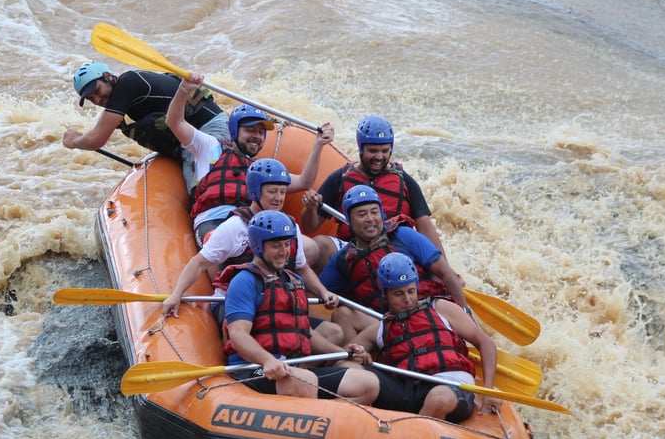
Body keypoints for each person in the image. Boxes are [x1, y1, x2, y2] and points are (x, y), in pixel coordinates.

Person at [161, 159, 342, 345]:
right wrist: (177, 293)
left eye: (282, 192)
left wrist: (323, 292)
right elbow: (199, 263)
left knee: (334, 333)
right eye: (272, 191)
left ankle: (301, 367)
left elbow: (302, 268)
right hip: (236, 305)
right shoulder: (235, 227)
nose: (279, 198)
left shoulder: (290, 227)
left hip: (274, 302)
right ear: (255, 191)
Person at [222, 211, 379, 403]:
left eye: (287, 244)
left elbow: (304, 332)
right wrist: (266, 359)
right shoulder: (244, 281)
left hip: (293, 368)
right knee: (304, 380)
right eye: (276, 245)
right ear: (257, 246)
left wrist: (344, 351)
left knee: (367, 384)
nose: (284, 251)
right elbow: (238, 334)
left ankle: (327, 421)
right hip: (255, 369)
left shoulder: (294, 280)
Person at [166, 73, 335, 246]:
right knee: (222, 244)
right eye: (250, 130)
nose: (256, 136)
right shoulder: (210, 147)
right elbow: (175, 122)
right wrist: (184, 89)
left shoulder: (261, 169)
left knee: (310, 248)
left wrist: (318, 146)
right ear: (234, 130)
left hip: (252, 223)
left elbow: (305, 182)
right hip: (214, 222)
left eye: (261, 132)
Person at [348, 253, 501, 422]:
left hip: (451, 386)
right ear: (386, 294)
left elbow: (486, 343)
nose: (407, 299)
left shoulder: (440, 308)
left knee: (438, 398)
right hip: (407, 392)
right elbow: (343, 357)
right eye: (399, 293)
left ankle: (411, 437)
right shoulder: (380, 328)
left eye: (411, 291)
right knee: (357, 376)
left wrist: (489, 390)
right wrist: (360, 355)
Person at [319, 185, 468, 340]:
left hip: (426, 313)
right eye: (362, 214)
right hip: (387, 323)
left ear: (382, 214)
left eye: (374, 212)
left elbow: (445, 273)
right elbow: (316, 290)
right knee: (342, 314)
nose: (370, 219)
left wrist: (465, 312)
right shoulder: (343, 259)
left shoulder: (403, 235)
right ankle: (363, 359)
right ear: (349, 220)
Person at [299, 114, 447, 268]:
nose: (379, 157)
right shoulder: (339, 179)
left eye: (385, 151)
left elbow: (426, 227)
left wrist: (446, 269)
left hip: (394, 249)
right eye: (373, 150)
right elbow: (309, 227)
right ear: (361, 148)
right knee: (320, 244)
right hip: (352, 248)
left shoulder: (405, 181)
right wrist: (311, 209)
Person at [62, 62, 229, 191]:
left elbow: (95, 140)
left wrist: (73, 141)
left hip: (210, 130)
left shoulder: (128, 83)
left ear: (108, 76)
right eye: (91, 98)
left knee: (202, 193)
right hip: (192, 139)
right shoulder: (126, 99)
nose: (97, 100)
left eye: (97, 91)